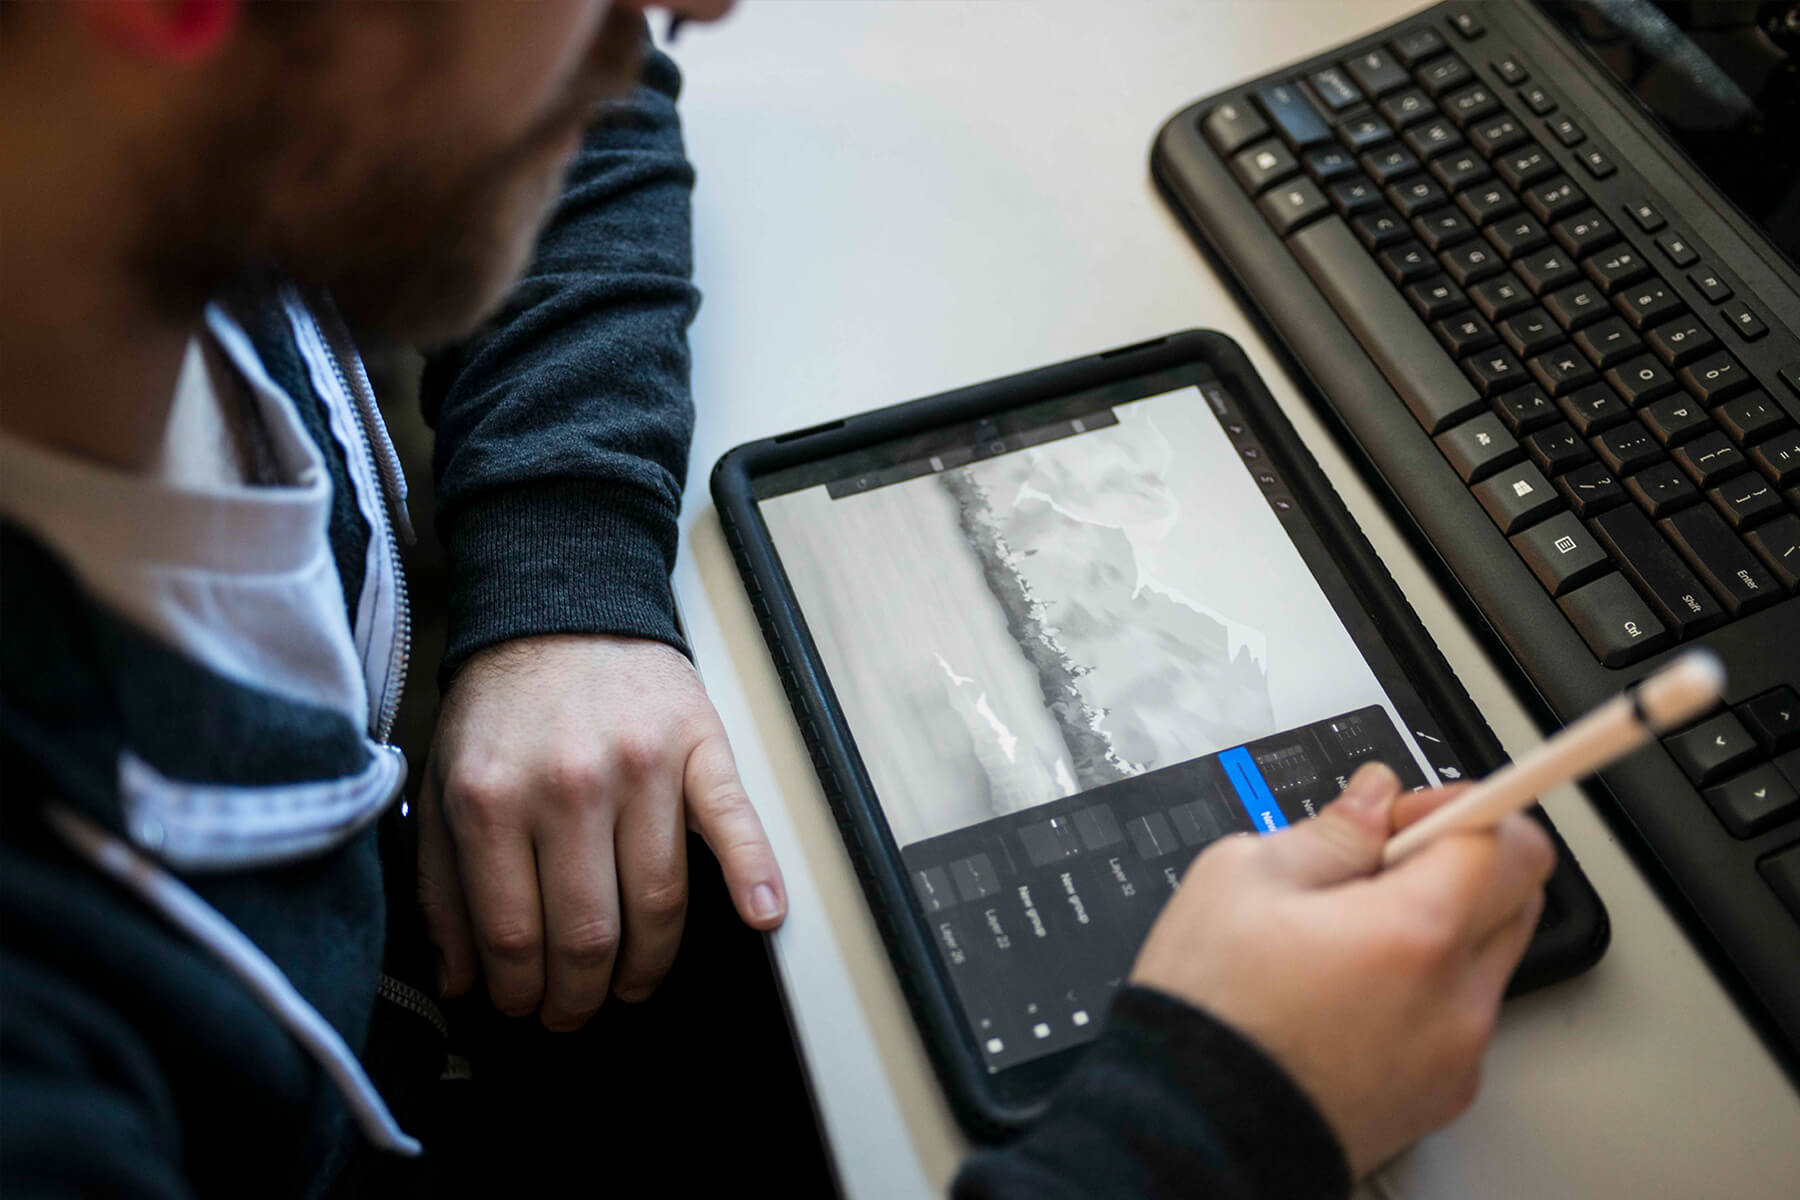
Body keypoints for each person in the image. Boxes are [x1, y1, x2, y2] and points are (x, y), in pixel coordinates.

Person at [0, 2, 1555, 1198]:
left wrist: (565, 578)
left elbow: (565, 109)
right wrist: (1213, 1123)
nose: (705, 6)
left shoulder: (170, 156)